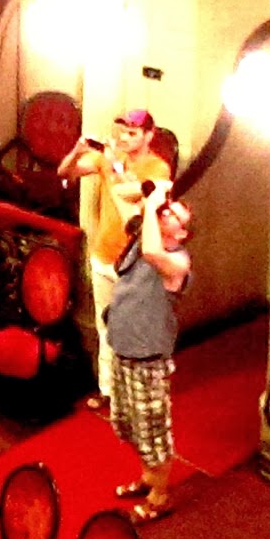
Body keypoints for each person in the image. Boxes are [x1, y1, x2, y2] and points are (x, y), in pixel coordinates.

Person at [57, 108, 173, 413]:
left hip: (135, 262)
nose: (124, 138)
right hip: (103, 254)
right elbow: (65, 173)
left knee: (131, 330)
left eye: (132, 133)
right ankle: (107, 391)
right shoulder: (108, 158)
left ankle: (134, 395)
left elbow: (134, 198)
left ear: (149, 135)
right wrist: (78, 149)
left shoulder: (157, 168)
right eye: (122, 132)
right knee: (104, 326)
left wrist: (115, 165)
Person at [105, 182, 191, 520]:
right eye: (165, 210)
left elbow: (154, 253)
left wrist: (154, 203)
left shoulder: (177, 262)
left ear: (181, 234)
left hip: (147, 360)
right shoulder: (144, 238)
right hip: (122, 349)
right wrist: (147, 198)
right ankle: (147, 478)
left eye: (173, 215)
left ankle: (160, 496)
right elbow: (123, 201)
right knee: (129, 423)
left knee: (153, 432)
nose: (165, 213)